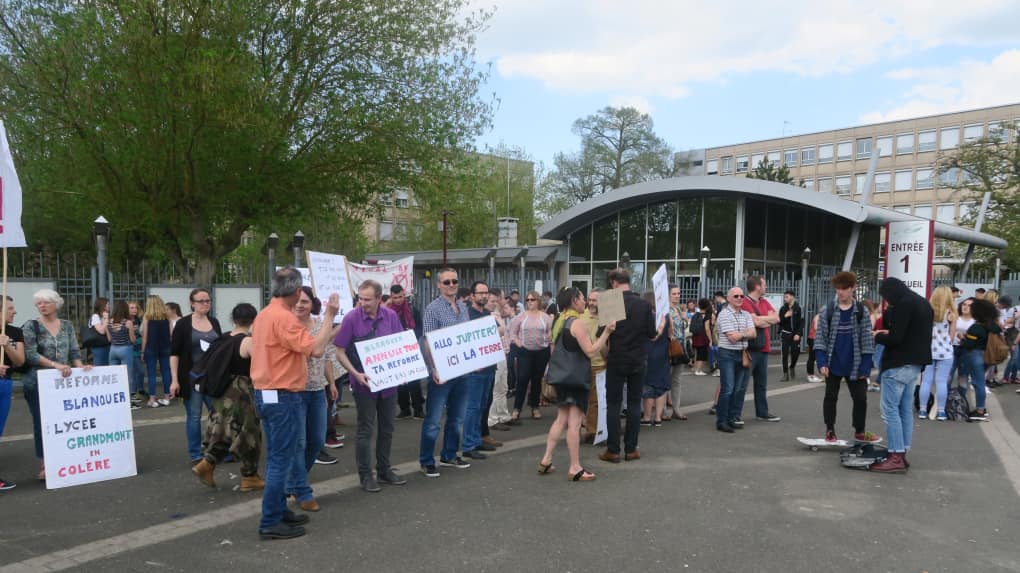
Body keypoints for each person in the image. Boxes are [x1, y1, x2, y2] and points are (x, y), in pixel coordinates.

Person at [251, 267, 339, 540]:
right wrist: (329, 317)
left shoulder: (265, 314)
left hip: (266, 392)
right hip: (282, 394)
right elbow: (315, 349)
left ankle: (278, 511)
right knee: (280, 460)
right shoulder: (283, 318)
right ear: (296, 290)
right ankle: (270, 521)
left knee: (281, 456)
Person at [334, 280, 408, 493]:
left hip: (389, 384)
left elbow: (400, 344)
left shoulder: (391, 316)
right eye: (360, 298)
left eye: (367, 299)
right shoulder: (351, 318)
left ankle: (384, 470)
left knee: (387, 428)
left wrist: (404, 370)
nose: (362, 302)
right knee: (366, 430)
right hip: (364, 385)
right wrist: (354, 374)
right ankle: (365, 475)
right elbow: (339, 350)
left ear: (378, 298)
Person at [538, 287, 614, 482]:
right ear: (574, 300)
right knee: (574, 423)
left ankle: (546, 459)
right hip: (576, 379)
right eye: (582, 298)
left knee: (561, 419)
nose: (585, 302)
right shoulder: (577, 323)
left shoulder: (560, 320)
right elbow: (590, 351)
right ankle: (575, 467)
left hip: (563, 377)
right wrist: (606, 332)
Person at [191, 303, 264, 493]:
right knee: (250, 434)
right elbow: (260, 368)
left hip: (222, 393)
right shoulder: (247, 342)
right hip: (242, 394)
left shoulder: (223, 338)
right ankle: (249, 476)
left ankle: (206, 464)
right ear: (254, 320)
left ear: (233, 319)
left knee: (222, 431)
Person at [870, 277, 933, 473]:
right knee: (905, 410)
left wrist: (878, 335)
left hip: (898, 364)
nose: (887, 302)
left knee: (890, 410)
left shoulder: (904, 304)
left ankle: (895, 455)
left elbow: (896, 337)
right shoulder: (922, 303)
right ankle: (902, 452)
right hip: (915, 365)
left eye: (887, 298)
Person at [22, 289, 87, 480]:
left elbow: (74, 351)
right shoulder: (31, 326)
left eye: (46, 302)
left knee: (65, 421)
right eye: (39, 303)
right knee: (42, 423)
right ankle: (45, 462)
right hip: (37, 382)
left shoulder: (66, 325)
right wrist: (55, 365)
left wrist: (81, 368)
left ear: (56, 304)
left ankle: (64, 457)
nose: (42, 306)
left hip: (63, 383)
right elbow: (31, 354)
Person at [813, 272, 879, 443]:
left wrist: (866, 366)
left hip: (855, 364)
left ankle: (859, 431)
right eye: (838, 289)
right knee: (830, 397)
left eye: (844, 289)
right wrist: (821, 362)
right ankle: (830, 430)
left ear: (853, 288)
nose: (840, 292)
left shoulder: (861, 312)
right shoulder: (827, 310)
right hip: (832, 363)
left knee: (860, 398)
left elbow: (867, 340)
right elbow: (820, 339)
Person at [419, 267, 472, 478]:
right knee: (433, 420)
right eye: (447, 282)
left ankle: (449, 455)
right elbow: (428, 341)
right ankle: (426, 461)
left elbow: (467, 336)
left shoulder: (462, 306)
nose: (451, 285)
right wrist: (433, 368)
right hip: (442, 372)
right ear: (439, 285)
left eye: (454, 281)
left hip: (463, 371)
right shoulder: (433, 308)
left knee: (457, 417)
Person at [598, 268, 656, 463]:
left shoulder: (611, 302)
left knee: (613, 405)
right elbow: (651, 333)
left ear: (614, 283)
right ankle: (631, 449)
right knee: (633, 403)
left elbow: (602, 335)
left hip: (616, 358)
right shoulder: (643, 304)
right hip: (638, 359)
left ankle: (613, 450)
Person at [288, 286, 340, 501]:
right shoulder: (286, 325)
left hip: (317, 391)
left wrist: (332, 383)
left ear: (312, 304)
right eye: (297, 301)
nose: (300, 305)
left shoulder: (321, 324)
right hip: (294, 392)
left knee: (317, 441)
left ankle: (295, 481)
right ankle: (302, 490)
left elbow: (326, 355)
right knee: (298, 443)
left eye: (305, 301)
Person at [170, 289, 223, 465]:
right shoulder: (183, 324)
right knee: (194, 415)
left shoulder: (214, 322)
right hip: (191, 377)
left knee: (218, 414)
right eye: (201, 301)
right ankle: (196, 453)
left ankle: (217, 449)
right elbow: (174, 353)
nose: (205, 304)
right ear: (192, 303)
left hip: (211, 378)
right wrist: (174, 380)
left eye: (208, 300)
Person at [740, 275, 782, 423]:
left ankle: (762, 413)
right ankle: (735, 414)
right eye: (764, 285)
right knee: (742, 383)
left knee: (762, 384)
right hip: (750, 349)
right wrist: (765, 320)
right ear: (757, 286)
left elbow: (776, 318)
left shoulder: (764, 301)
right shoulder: (744, 302)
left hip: (764, 349)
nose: (766, 287)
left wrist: (761, 320)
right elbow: (753, 321)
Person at [715, 287, 756, 433]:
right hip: (727, 354)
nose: (739, 298)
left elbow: (754, 333)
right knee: (728, 388)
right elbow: (732, 338)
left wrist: (740, 334)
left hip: (742, 354)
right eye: (736, 296)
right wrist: (746, 333)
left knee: (738, 389)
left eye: (742, 296)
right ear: (729, 298)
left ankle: (732, 418)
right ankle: (722, 421)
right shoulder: (724, 314)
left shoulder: (746, 314)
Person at [508, 290, 552, 422]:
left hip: (542, 352)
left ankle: (535, 407)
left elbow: (550, 332)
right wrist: (518, 343)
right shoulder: (521, 316)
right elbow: (512, 333)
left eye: (532, 300)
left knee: (537, 380)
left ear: (538, 301)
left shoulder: (545, 317)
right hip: (525, 351)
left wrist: (548, 339)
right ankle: (517, 408)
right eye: (527, 300)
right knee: (522, 379)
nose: (529, 302)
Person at [918, 286, 957, 421]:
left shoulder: (927, 311)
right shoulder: (951, 313)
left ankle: (922, 410)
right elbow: (952, 336)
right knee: (941, 382)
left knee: (926, 381)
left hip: (928, 351)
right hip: (945, 352)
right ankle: (941, 412)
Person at [959, 298, 1001, 422]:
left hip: (975, 355)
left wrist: (963, 338)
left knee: (978, 383)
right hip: (988, 355)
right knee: (980, 381)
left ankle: (980, 410)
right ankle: (981, 408)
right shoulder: (993, 325)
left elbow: (969, 344)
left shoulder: (976, 327)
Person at [0, 296, 26, 491]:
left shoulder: (16, 332)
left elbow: (19, 361)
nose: (14, 311)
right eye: (10, 308)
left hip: (5, 385)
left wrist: (7, 345)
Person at [389, 284, 424, 419]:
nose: (398, 300)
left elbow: (420, 327)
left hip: (411, 348)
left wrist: (413, 334)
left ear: (405, 295)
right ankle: (404, 409)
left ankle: (418, 409)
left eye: (400, 297)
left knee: (414, 380)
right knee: (400, 382)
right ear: (391, 297)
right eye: (395, 297)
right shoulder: (388, 312)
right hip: (395, 351)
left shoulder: (412, 309)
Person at [581, 289, 608, 441]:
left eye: (595, 300)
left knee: (596, 401)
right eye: (589, 300)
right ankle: (583, 427)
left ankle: (592, 431)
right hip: (582, 364)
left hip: (600, 364)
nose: (591, 303)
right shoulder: (581, 316)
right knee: (581, 400)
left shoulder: (606, 318)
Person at [640, 292, 670, 427]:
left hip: (647, 352)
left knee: (648, 385)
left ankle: (646, 417)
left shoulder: (645, 317)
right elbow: (671, 334)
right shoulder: (665, 316)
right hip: (662, 353)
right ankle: (658, 417)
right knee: (661, 385)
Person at [141, 295, 173, 408]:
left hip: (151, 347)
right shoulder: (167, 316)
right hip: (165, 347)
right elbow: (171, 334)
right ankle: (167, 397)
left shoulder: (147, 317)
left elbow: (145, 336)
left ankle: (152, 399)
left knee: (151, 374)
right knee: (166, 372)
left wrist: (142, 352)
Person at [106, 300, 138, 409]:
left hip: (113, 350)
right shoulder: (128, 322)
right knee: (127, 377)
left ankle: (114, 401)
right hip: (126, 349)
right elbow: (133, 340)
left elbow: (109, 339)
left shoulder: (109, 322)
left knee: (113, 377)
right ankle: (128, 402)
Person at [665, 289, 690, 421]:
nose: (677, 296)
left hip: (680, 347)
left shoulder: (679, 309)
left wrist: (685, 319)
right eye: (674, 294)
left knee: (677, 380)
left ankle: (676, 408)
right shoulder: (665, 309)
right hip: (670, 347)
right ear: (668, 295)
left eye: (678, 293)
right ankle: (662, 410)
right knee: (665, 378)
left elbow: (683, 327)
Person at [778, 290, 804, 381]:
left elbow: (802, 322)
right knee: (784, 354)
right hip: (785, 334)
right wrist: (785, 316)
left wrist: (798, 334)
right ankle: (785, 374)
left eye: (787, 297)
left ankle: (792, 366)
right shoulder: (783, 308)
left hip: (795, 335)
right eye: (784, 297)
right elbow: (779, 321)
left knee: (795, 353)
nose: (785, 299)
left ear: (792, 297)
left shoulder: (799, 308)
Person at [689, 298, 712, 376]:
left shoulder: (696, 314)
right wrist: (710, 339)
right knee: (702, 354)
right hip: (702, 336)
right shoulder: (706, 315)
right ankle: (698, 370)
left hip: (695, 335)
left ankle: (696, 369)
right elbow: (707, 328)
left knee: (698, 352)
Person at [87, 297, 111, 366]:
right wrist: (106, 319)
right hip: (98, 347)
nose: (109, 306)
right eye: (107, 304)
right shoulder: (95, 316)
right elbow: (102, 331)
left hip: (106, 345)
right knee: (99, 367)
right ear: (103, 305)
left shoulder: (103, 316)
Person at [805, 310, 821, 382]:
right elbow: (816, 327)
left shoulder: (820, 316)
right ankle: (810, 375)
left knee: (814, 357)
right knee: (812, 357)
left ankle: (812, 375)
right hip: (813, 339)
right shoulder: (818, 316)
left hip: (814, 339)